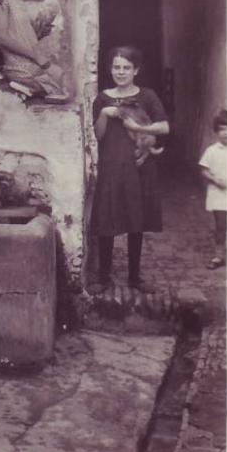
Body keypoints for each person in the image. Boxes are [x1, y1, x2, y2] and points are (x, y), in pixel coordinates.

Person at [90, 46, 169, 291]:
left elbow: (164, 128)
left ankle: (135, 278)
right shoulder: (103, 98)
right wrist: (104, 113)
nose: (121, 72)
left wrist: (138, 128)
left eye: (126, 67)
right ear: (110, 69)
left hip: (138, 165)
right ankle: (104, 277)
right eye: (116, 67)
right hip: (111, 166)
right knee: (106, 219)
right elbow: (99, 135)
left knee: (137, 219)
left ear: (136, 70)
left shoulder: (147, 96)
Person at [199, 109, 227, 269]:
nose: (226, 133)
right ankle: (219, 256)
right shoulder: (212, 150)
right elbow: (203, 169)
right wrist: (215, 179)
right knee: (221, 226)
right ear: (217, 131)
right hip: (219, 195)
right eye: (222, 129)